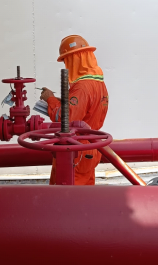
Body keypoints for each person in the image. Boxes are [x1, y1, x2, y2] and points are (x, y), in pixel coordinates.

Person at [40, 35, 109, 185]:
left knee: (66, 196)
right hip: (91, 146)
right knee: (85, 195)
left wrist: (50, 99)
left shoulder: (82, 88)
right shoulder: (98, 83)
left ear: (74, 60)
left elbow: (66, 118)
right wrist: (61, 101)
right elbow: (86, 110)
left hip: (76, 150)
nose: (66, 65)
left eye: (66, 61)